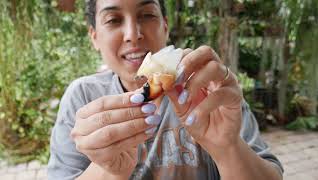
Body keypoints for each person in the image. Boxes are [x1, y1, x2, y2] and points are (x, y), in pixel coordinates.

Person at [48, 0, 284, 179]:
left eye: (147, 15)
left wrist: (227, 147)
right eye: (113, 20)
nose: (133, 35)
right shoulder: (82, 97)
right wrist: (107, 168)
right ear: (95, 37)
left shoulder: (208, 90)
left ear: (165, 27)